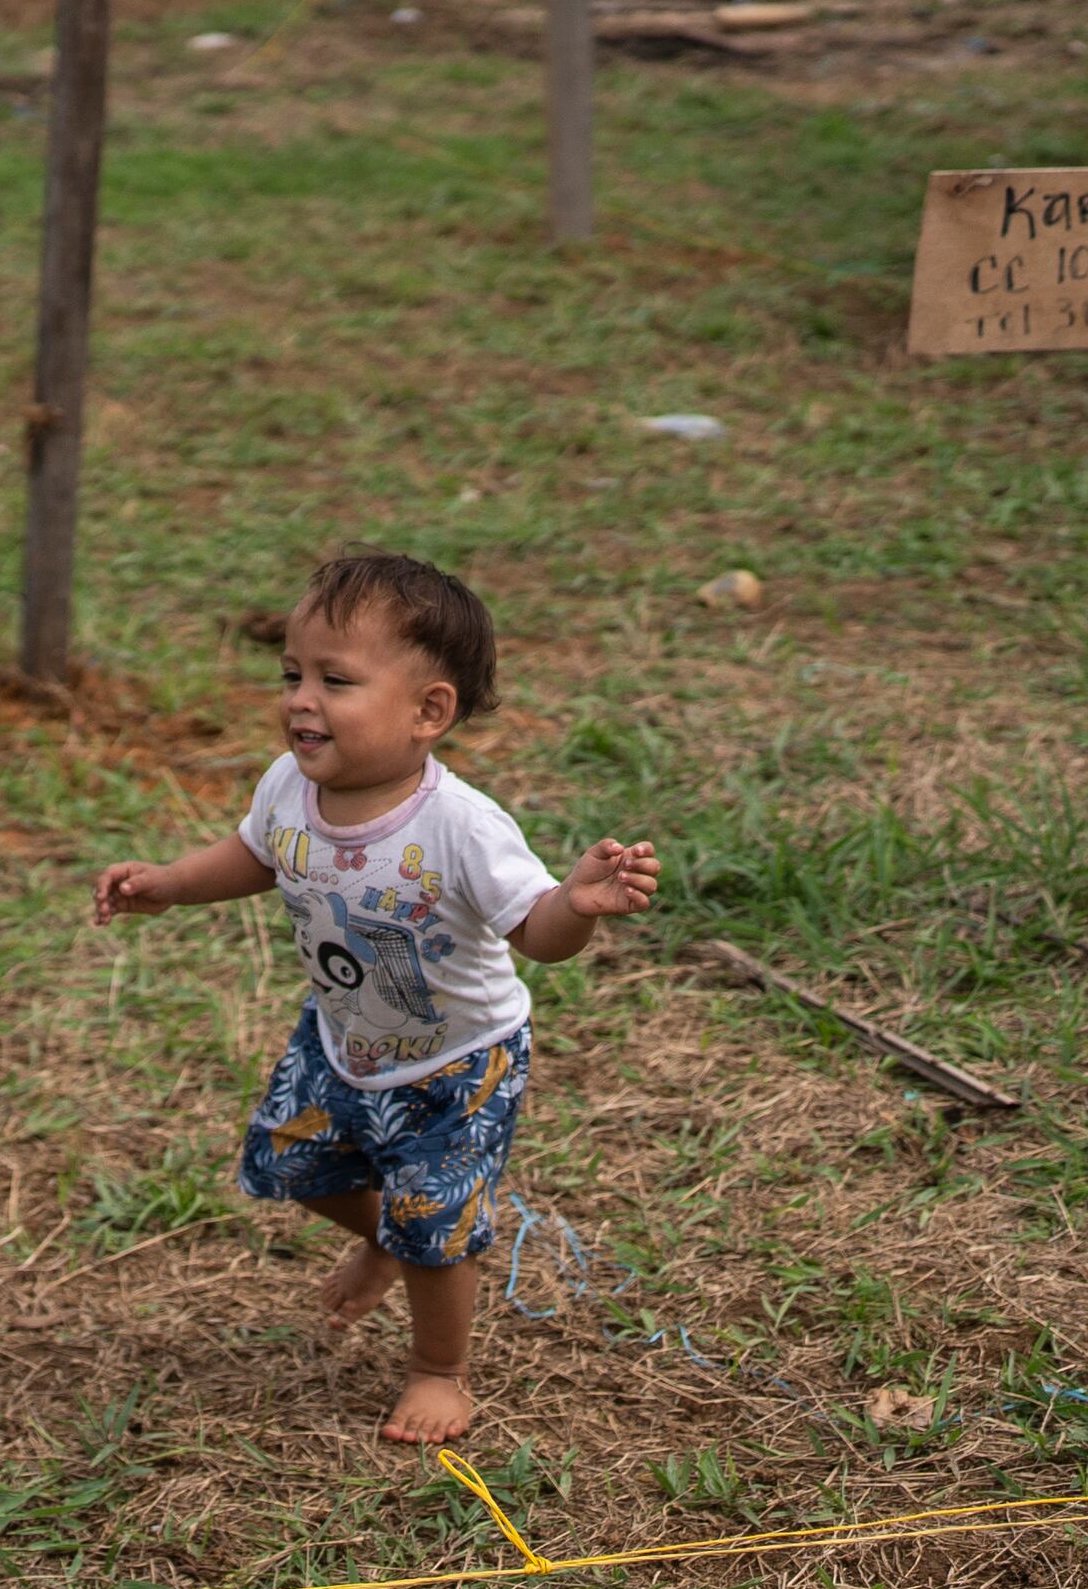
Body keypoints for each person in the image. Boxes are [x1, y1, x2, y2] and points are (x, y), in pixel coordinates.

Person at [92, 552, 662, 1445]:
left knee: (437, 1221)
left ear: (428, 710)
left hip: (456, 1062)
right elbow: (258, 852)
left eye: (336, 679)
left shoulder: (462, 826)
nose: (300, 698)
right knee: (291, 1162)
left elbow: (537, 932)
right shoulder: (290, 786)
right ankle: (386, 1238)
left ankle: (440, 1367)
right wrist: (170, 882)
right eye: (293, 673)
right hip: (343, 1036)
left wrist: (577, 906)